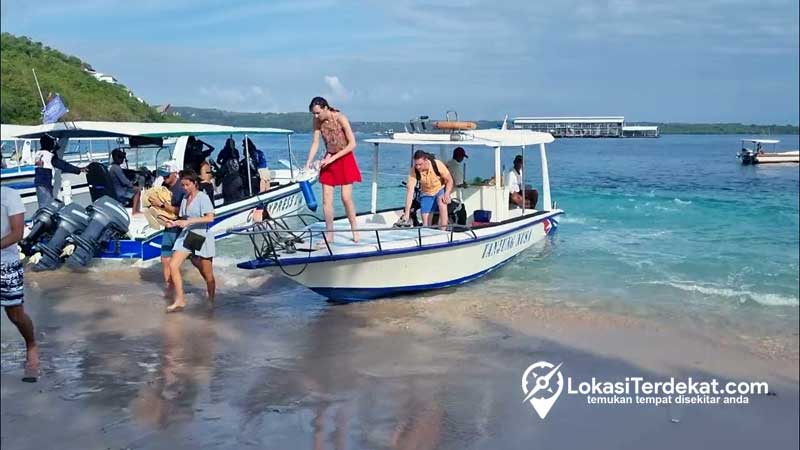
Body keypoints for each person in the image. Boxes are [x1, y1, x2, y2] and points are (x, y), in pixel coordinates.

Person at [304, 96, 362, 244]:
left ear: (325, 108)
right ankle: (330, 234)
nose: (316, 116)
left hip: (344, 157)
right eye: (314, 114)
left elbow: (352, 144)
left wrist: (332, 159)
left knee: (345, 197)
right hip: (330, 158)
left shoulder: (340, 118)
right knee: (326, 199)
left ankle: (355, 229)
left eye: (318, 113)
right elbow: (316, 143)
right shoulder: (317, 122)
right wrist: (308, 163)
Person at [1, 186, 39, 382]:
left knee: (15, 314)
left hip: (6, 265)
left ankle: (31, 345)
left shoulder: (9, 195)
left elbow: (17, 234)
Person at [164, 170, 215, 312]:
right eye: (183, 185)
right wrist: (173, 223)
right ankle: (180, 300)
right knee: (173, 265)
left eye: (187, 185)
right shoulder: (185, 199)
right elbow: (184, 219)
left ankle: (211, 300)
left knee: (208, 274)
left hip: (200, 235)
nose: (184, 188)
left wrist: (190, 221)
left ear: (194, 183)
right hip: (187, 235)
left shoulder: (203, 198)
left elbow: (210, 218)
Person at [148, 161, 187, 290]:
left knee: (195, 261)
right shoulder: (163, 186)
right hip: (168, 227)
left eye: (166, 176)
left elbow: (181, 211)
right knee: (165, 259)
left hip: (181, 228)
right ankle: (169, 290)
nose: (164, 178)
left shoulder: (182, 189)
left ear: (175, 174)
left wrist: (162, 205)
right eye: (163, 176)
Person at [403, 150, 454, 229]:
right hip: (426, 193)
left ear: (426, 160)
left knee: (442, 204)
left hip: (439, 189)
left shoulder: (437, 164)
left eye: (420, 164)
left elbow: (449, 180)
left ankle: (443, 231)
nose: (418, 167)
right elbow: (410, 192)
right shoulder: (414, 170)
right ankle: (427, 234)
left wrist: (447, 193)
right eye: (416, 164)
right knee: (426, 223)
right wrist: (407, 213)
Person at [34, 134, 85, 208]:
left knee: (43, 204)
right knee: (46, 205)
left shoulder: (38, 153)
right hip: (45, 184)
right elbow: (63, 165)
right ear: (50, 144)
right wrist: (78, 169)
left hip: (39, 183)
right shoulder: (49, 156)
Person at [109, 148, 142, 214]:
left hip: (116, 190)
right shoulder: (116, 168)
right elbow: (124, 181)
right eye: (121, 158)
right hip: (120, 192)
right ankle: (135, 211)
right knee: (137, 190)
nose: (123, 159)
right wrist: (132, 184)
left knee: (136, 189)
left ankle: (136, 210)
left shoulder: (112, 167)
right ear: (117, 158)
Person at [216, 138, 243, 203]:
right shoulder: (235, 151)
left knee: (228, 193)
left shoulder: (224, 151)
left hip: (228, 175)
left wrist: (223, 164)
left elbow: (218, 160)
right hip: (235, 174)